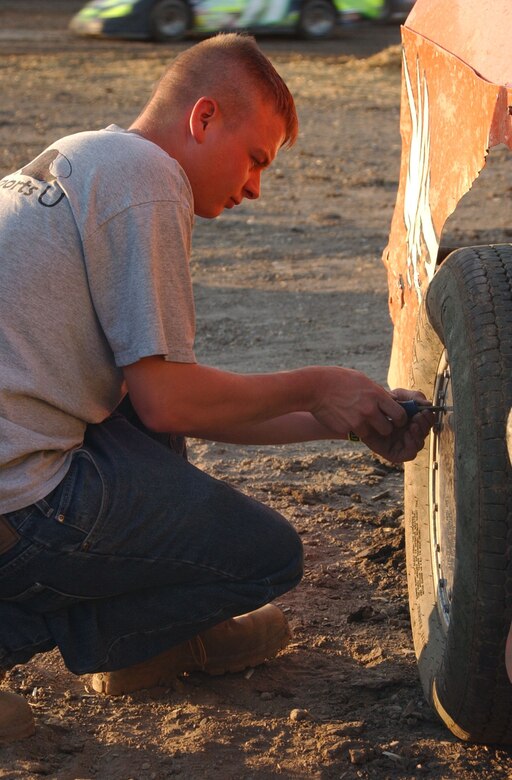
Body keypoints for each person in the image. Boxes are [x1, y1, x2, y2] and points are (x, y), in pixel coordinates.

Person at [0, 33, 433, 743]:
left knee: (150, 417)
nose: (256, 186)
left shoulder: (85, 157)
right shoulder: (146, 176)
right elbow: (175, 401)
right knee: (265, 555)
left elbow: (165, 408)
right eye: (255, 159)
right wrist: (320, 382)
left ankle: (143, 645)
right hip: (21, 503)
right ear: (203, 119)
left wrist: (343, 419)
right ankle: (103, 639)